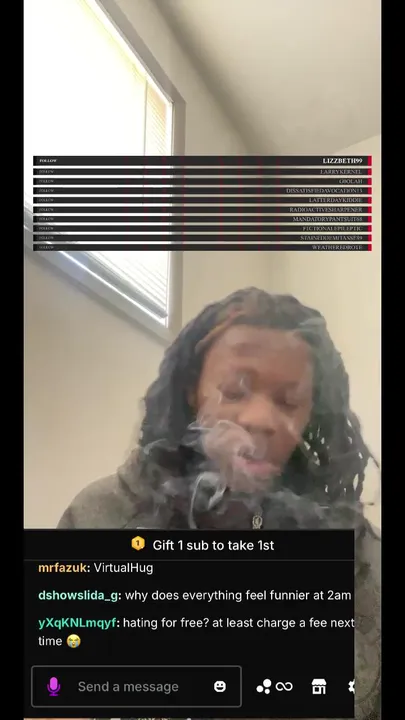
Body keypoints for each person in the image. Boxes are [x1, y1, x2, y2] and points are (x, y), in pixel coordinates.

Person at [57, 288, 381, 720]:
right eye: (233, 391)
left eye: (288, 401)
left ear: (311, 414)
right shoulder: (101, 517)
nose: (260, 419)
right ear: (193, 390)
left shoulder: (358, 557)